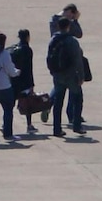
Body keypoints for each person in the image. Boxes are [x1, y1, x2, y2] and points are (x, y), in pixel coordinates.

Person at [47, 8, 88, 136]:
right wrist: (81, 76)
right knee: (77, 98)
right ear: (69, 26)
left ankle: (57, 129)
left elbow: (48, 57)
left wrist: (52, 71)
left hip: (58, 74)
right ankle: (76, 125)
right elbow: (78, 61)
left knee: (58, 102)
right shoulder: (72, 41)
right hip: (71, 75)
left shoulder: (53, 39)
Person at [12, 28, 41, 128]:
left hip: (14, 79)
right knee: (28, 103)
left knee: (10, 103)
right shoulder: (27, 50)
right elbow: (29, 68)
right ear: (28, 37)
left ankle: (6, 123)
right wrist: (31, 83)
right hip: (25, 80)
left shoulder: (13, 48)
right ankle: (29, 124)